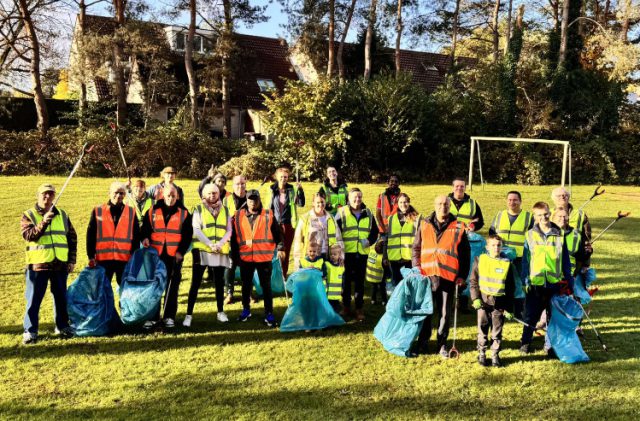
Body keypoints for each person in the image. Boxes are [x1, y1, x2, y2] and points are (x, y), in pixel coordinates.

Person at [412, 195, 470, 358]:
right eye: (439, 203)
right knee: (426, 311)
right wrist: (416, 268)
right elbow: (416, 249)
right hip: (426, 276)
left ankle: (442, 344)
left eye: (445, 204)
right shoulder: (424, 224)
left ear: (450, 206)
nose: (442, 206)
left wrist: (462, 276)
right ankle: (422, 343)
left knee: (445, 312)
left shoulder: (459, 226)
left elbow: (465, 254)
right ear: (434, 205)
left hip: (448, 277)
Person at [21, 183, 78, 344]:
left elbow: (72, 238)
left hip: (59, 264)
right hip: (38, 265)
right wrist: (43, 222)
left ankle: (62, 326)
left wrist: (72, 260)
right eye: (44, 194)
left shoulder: (63, 215)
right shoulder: (29, 215)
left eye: (51, 194)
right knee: (33, 300)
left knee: (61, 298)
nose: (47, 197)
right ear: (38, 195)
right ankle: (30, 331)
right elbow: (29, 236)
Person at [519, 201, 574, 355]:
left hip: (554, 283)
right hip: (535, 283)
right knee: (530, 315)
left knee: (552, 317)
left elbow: (565, 260)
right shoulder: (530, 235)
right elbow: (526, 260)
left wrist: (569, 279)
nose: (543, 217)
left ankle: (550, 346)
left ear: (550, 213)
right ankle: (525, 342)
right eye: (539, 215)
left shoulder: (559, 234)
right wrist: (525, 279)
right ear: (535, 217)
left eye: (546, 214)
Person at [231, 189, 285, 327]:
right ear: (246, 200)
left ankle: (269, 313)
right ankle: (246, 310)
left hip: (264, 257)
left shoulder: (268, 214)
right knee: (246, 285)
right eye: (250, 199)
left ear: (259, 200)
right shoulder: (237, 216)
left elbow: (278, 233)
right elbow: (233, 238)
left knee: (266, 286)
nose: (252, 202)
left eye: (255, 200)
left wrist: (280, 248)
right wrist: (235, 255)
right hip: (245, 257)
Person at [141, 184, 192, 329]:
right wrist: (144, 238)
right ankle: (152, 317)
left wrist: (180, 252)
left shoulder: (184, 213)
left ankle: (169, 316)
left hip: (174, 256)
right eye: (168, 195)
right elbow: (145, 228)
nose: (170, 198)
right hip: (155, 255)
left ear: (178, 197)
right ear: (163, 195)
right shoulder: (152, 211)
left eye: (173, 196)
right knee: (154, 286)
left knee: (172, 286)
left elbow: (188, 235)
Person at [184, 184, 232, 327]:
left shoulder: (226, 210)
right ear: (204, 195)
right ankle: (188, 315)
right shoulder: (198, 209)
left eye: (215, 193)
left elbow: (229, 230)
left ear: (219, 194)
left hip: (219, 249)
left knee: (219, 282)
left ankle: (220, 312)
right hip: (202, 250)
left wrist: (220, 244)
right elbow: (196, 229)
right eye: (210, 193)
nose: (212, 196)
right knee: (195, 283)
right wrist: (210, 244)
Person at [469, 235, 516, 367]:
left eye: (499, 245)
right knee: (482, 328)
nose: (496, 248)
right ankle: (482, 353)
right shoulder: (480, 260)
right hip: (482, 303)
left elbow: (510, 288)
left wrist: (509, 308)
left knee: (497, 330)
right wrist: (475, 298)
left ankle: (495, 354)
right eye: (493, 245)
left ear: (502, 246)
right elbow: (473, 281)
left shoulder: (507, 264)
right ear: (487, 247)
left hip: (499, 304)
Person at [335, 188, 379, 321]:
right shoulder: (341, 212)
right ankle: (346, 306)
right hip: (347, 252)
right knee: (346, 280)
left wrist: (370, 241)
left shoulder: (368, 213)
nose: (357, 200)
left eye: (359, 197)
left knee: (360, 282)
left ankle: (359, 308)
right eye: (354, 197)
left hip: (362, 253)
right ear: (348, 198)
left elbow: (375, 231)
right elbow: (336, 231)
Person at [489, 191, 533, 318]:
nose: (512, 202)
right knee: (502, 283)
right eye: (509, 200)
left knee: (519, 283)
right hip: (501, 256)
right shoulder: (499, 215)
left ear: (520, 201)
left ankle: (519, 311)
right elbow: (492, 233)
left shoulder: (528, 217)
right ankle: (502, 309)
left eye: (515, 200)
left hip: (520, 257)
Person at [86, 181, 140, 286]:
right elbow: (90, 234)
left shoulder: (131, 212)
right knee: (102, 290)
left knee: (126, 291)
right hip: (103, 259)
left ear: (125, 195)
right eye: (116, 192)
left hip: (124, 259)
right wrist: (91, 255)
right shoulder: (98, 211)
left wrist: (134, 255)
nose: (118, 195)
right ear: (110, 193)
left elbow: (136, 236)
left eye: (122, 193)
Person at [265, 167, 304, 279]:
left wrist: (300, 191)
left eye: (285, 177)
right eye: (281, 177)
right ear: (277, 177)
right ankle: (273, 276)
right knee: (273, 251)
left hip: (288, 224)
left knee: (285, 251)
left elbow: (300, 204)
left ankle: (283, 276)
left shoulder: (292, 189)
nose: (283, 179)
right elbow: (268, 207)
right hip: (274, 224)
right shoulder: (271, 189)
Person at [292, 193, 343, 271]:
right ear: (313, 203)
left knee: (326, 280)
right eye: (318, 202)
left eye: (322, 202)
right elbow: (297, 242)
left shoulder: (331, 218)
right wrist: (297, 262)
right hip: (311, 257)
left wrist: (341, 256)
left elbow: (338, 238)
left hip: (328, 256)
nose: (320, 204)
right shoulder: (305, 218)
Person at [385, 193, 421, 286]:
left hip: (410, 258)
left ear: (409, 203)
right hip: (394, 258)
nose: (403, 204)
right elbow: (387, 239)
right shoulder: (391, 219)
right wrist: (385, 256)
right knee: (397, 286)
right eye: (400, 202)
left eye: (405, 202)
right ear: (397, 203)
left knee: (410, 285)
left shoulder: (417, 218)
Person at [222, 175, 248, 305]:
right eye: (237, 184)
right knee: (230, 265)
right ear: (233, 186)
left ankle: (247, 293)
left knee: (247, 267)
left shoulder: (251, 197)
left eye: (242, 183)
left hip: (247, 237)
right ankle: (229, 293)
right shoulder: (227, 200)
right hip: (231, 237)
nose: (240, 186)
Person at [366, 239, 387, 306]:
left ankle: (373, 300)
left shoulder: (371, 250)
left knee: (374, 288)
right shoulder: (382, 258)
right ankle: (384, 301)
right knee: (382, 288)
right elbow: (386, 269)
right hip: (379, 277)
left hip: (370, 275)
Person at [324, 244, 345, 312]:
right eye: (331, 254)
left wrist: (342, 287)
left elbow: (343, 279)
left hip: (337, 293)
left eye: (334, 254)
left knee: (336, 307)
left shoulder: (341, 267)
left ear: (339, 255)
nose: (332, 256)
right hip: (328, 293)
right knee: (329, 307)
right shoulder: (327, 264)